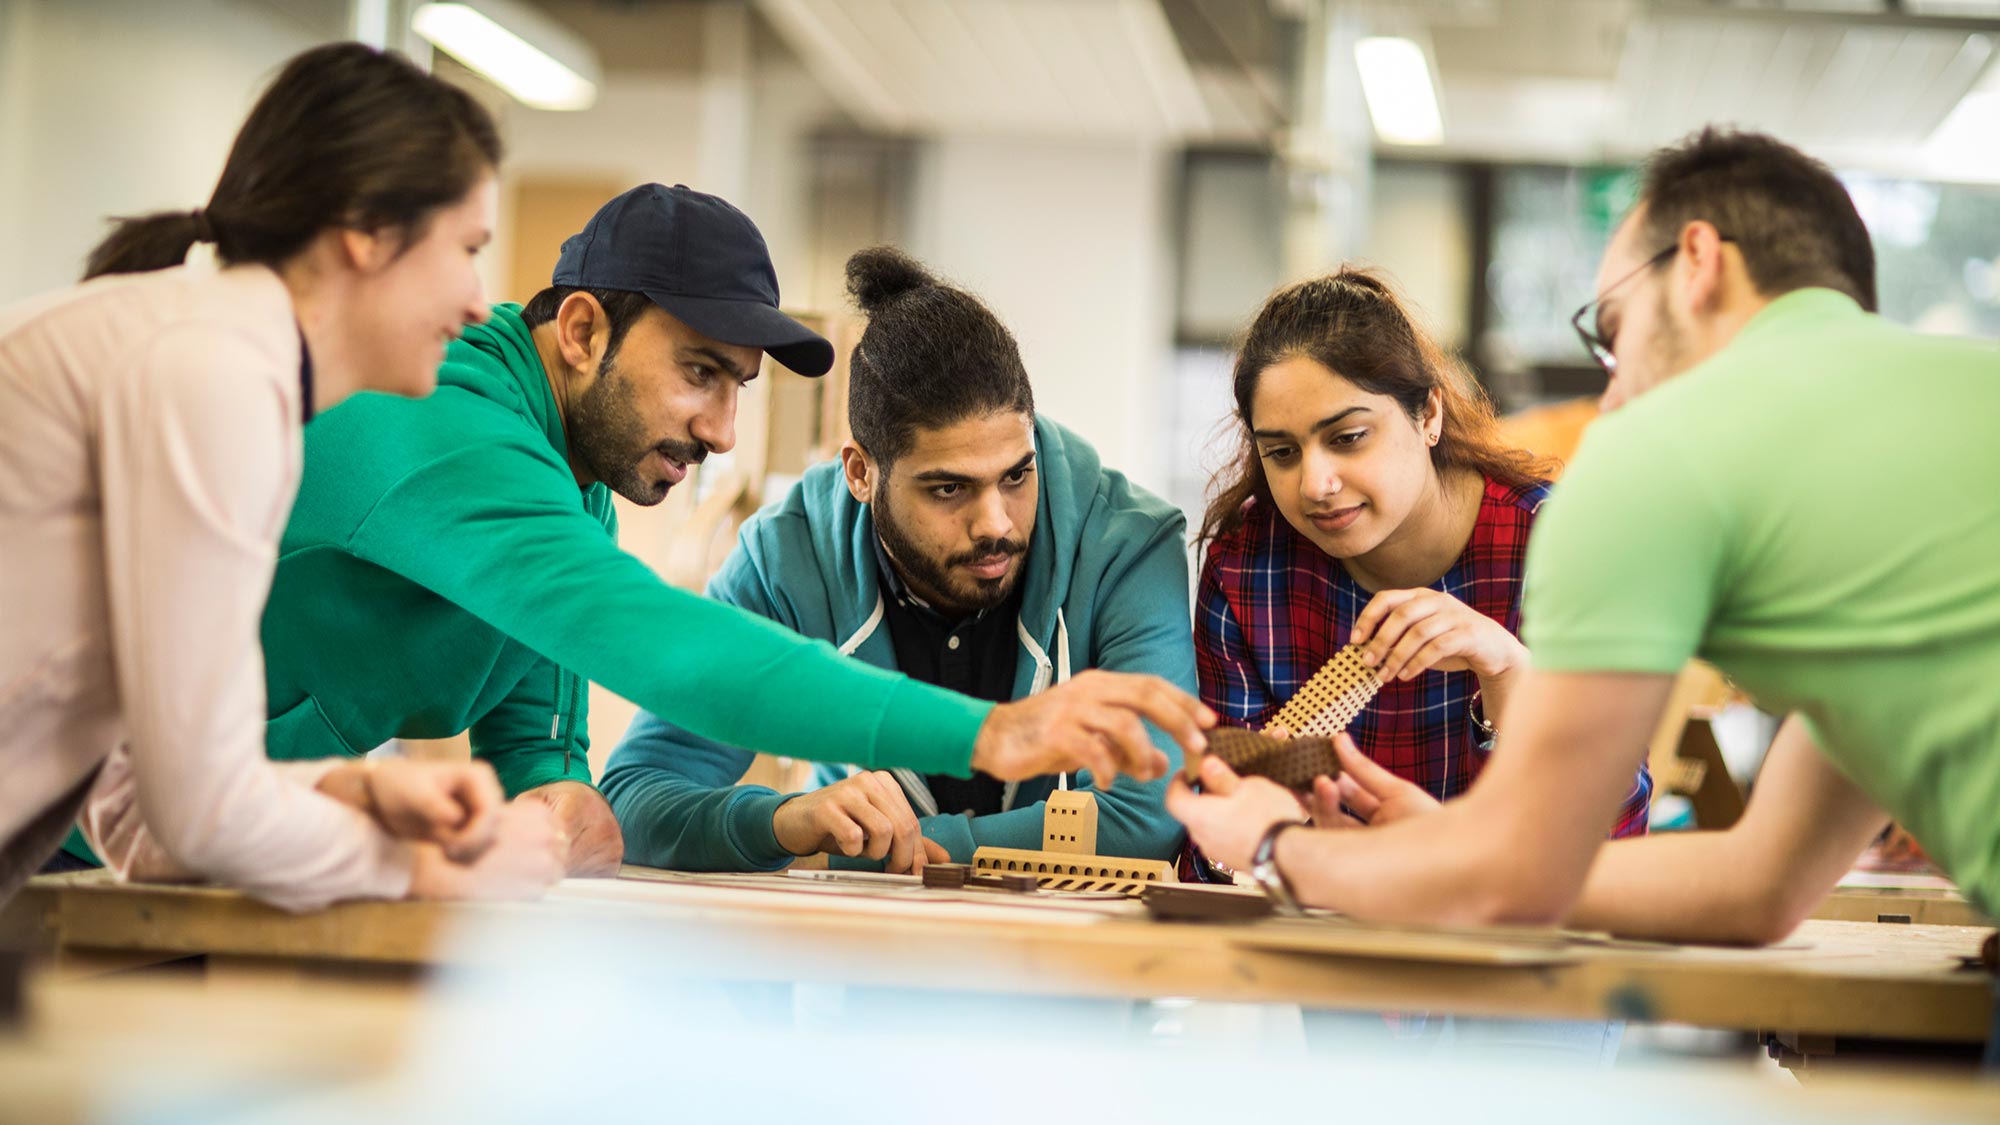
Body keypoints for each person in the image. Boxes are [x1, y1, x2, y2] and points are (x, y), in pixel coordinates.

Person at [1168, 129, 2000, 965]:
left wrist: (1280, 845)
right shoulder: (1959, 417)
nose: (1615, 388)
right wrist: (1455, 847)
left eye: (1613, 329)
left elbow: (1516, 884)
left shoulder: (1655, 452)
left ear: (1701, 261)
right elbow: (1763, 887)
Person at [222, 184, 1205, 878]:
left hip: (225, 842)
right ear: (579, 333)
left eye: (736, 386)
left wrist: (570, 814)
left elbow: (543, 754)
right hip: (102, 846)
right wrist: (991, 732)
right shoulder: (443, 425)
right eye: (699, 372)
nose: (722, 430)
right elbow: (664, 647)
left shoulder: (574, 484)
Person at [3, 43, 565, 910]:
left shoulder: (222, 362)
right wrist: (429, 872)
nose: (474, 298)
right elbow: (198, 816)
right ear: (369, 231)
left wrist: (351, 794)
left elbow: (137, 813)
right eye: (467, 246)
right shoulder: (214, 373)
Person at [602, 247, 1193, 873]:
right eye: (949, 489)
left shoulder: (1131, 545)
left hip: (1071, 952)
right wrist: (785, 821)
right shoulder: (784, 560)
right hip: (869, 949)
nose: (995, 524)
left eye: (1017, 475)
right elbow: (636, 799)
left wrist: (903, 852)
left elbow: (1147, 819)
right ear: (861, 473)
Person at [1193, 268, 1650, 839]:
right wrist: (1249, 809)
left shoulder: (1561, 547)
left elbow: (1612, 835)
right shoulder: (1245, 567)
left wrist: (1504, 670)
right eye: (1282, 452)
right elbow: (1213, 853)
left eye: (1348, 437)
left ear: (1428, 415)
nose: (1315, 483)